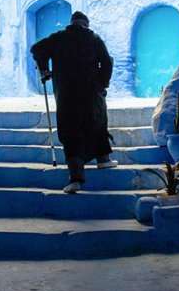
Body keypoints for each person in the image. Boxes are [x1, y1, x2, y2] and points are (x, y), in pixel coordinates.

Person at [31, 11, 117, 193]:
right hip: (91, 94)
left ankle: (75, 178)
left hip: (66, 94)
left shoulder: (58, 37)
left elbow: (37, 49)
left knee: (71, 131)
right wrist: (103, 84)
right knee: (97, 124)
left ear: (71, 24)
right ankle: (103, 160)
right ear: (86, 24)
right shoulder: (94, 38)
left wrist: (45, 70)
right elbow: (107, 63)